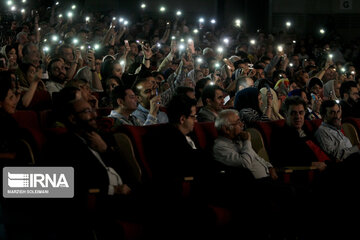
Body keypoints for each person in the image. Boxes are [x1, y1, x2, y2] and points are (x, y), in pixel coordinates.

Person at [270, 96, 327, 170]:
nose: (298, 116)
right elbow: (283, 160)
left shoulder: (307, 129)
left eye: (301, 113)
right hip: (307, 172)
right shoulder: (279, 134)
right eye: (293, 113)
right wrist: (311, 164)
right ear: (285, 114)